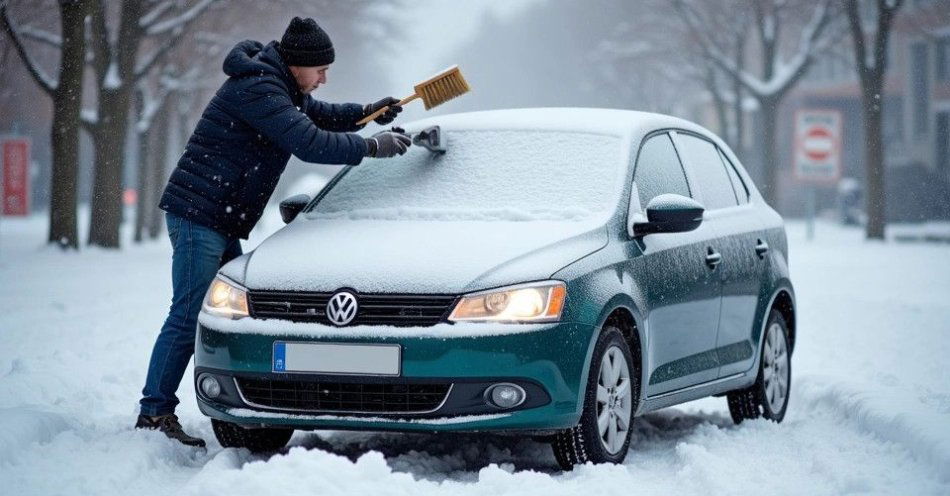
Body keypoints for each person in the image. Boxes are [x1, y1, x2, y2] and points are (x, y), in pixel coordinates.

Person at [134, 16, 411, 447]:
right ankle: (154, 413)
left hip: (218, 215)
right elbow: (310, 141)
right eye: (319, 70)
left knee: (230, 313)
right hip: (198, 214)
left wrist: (367, 113)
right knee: (189, 314)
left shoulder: (280, 86)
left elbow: (322, 115)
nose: (323, 79)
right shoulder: (259, 89)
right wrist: (372, 147)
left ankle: (242, 399)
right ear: (297, 63)